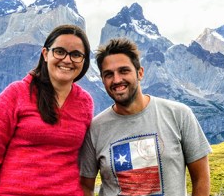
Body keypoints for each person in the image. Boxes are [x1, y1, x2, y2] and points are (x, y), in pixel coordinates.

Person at [79, 38, 211, 196]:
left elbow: (201, 177)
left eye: (124, 71)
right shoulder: (95, 129)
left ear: (140, 73)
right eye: (108, 74)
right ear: (103, 80)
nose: (117, 80)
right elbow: (85, 186)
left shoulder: (179, 114)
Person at [0, 24, 94, 196]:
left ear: (84, 61)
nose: (67, 60)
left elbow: (84, 158)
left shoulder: (85, 102)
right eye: (59, 51)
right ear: (45, 54)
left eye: (76, 55)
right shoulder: (15, 94)